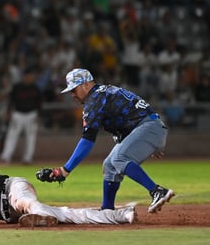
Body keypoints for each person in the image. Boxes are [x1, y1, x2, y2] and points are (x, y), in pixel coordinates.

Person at [0, 131, 136, 226]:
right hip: (8, 215)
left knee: (26, 202)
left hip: (10, 189)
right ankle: (121, 215)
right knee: (65, 215)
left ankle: (39, 215)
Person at [49, 68, 175, 214]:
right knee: (109, 165)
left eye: (74, 89)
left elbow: (87, 140)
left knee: (119, 158)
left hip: (148, 128)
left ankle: (157, 191)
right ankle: (107, 209)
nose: (72, 94)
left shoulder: (95, 100)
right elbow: (132, 113)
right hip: (149, 128)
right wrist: (147, 143)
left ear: (86, 85)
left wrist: (66, 169)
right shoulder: (102, 93)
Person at [0, 68, 42, 164]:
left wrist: (39, 115)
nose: (29, 78)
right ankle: (6, 156)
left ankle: (27, 158)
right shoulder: (17, 87)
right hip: (18, 114)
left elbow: (39, 103)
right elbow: (11, 101)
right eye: (27, 76)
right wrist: (8, 112)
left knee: (30, 137)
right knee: (11, 135)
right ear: (24, 77)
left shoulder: (35, 88)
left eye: (31, 76)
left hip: (32, 114)